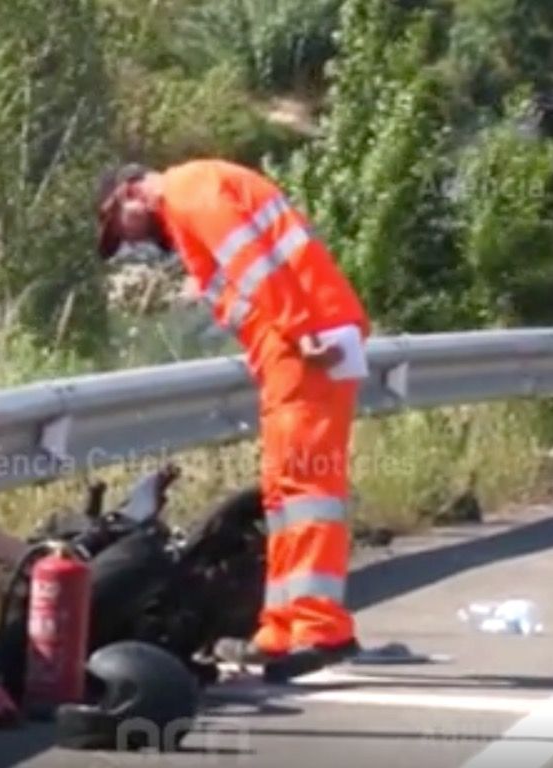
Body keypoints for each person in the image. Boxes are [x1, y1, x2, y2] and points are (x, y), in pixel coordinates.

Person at [95, 159, 369, 682]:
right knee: (288, 492)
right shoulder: (190, 200)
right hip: (291, 348)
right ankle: (284, 625)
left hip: (305, 346)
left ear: (130, 193)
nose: (132, 243)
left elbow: (256, 268)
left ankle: (317, 628)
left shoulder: (188, 191)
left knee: (306, 487)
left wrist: (302, 329)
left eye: (121, 228)